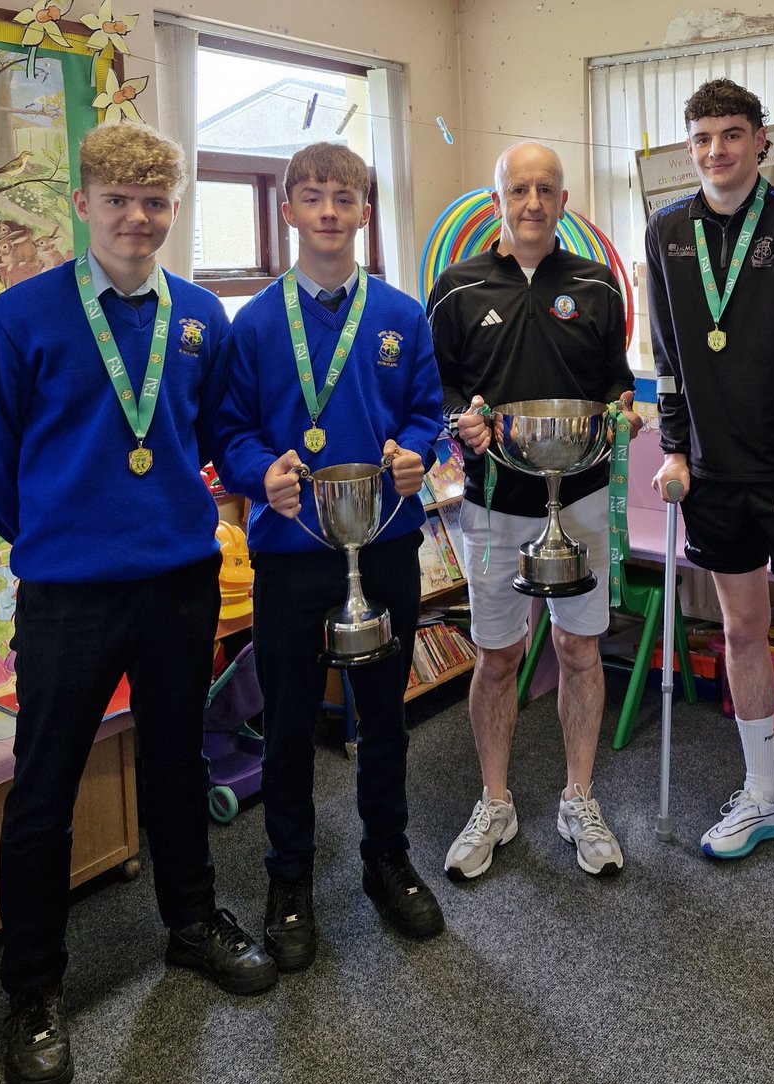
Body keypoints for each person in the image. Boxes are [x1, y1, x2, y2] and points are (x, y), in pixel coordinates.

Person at [0, 121, 276, 1084]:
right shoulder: (25, 319)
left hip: (179, 581)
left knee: (180, 759)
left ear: (172, 211)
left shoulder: (199, 318)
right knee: (45, 787)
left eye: (156, 203)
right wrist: (61, 538)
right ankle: (35, 990)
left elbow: (216, 431)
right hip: (70, 594)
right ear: (85, 207)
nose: (139, 219)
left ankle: (191, 923)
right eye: (119, 201)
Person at [217, 142, 446, 963]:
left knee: (384, 715)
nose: (326, 212)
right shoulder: (251, 323)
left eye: (342, 199)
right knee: (284, 723)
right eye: (310, 197)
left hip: (384, 539)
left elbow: (427, 410)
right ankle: (289, 880)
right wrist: (258, 470)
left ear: (363, 212)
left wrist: (420, 451)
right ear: (287, 211)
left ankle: (387, 858)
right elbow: (231, 428)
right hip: (289, 548)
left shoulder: (400, 314)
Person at [646, 78, 774, 892]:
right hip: (711, 473)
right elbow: (666, 360)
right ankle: (765, 793)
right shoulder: (667, 231)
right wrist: (672, 451)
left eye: (732, 134)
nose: (717, 151)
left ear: (760, 140)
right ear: (689, 146)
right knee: (737, 634)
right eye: (702, 138)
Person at [427, 141, 639, 880]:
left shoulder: (595, 285)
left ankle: (578, 796)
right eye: (519, 188)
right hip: (492, 502)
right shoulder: (456, 289)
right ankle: (495, 801)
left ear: (564, 200)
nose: (532, 202)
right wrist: (463, 419)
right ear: (498, 198)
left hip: (577, 499)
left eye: (546, 189)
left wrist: (623, 412)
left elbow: (616, 381)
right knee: (496, 657)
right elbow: (441, 386)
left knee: (580, 650)